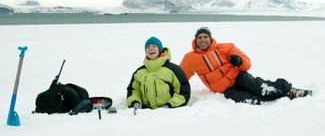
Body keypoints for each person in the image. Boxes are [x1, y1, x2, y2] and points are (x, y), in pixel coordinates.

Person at [180, 27, 312, 105]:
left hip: (239, 77)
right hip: (225, 90)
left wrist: (239, 61)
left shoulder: (226, 47)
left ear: (211, 38)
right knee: (252, 100)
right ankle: (283, 97)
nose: (203, 40)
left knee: (262, 88)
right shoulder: (190, 58)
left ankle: (289, 90)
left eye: (205, 37)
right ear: (195, 40)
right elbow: (180, 77)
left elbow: (247, 63)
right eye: (200, 38)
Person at [127, 36, 191, 110]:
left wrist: (170, 105)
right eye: (148, 47)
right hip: (145, 114)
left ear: (160, 50)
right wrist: (135, 102)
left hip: (170, 113)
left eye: (154, 46)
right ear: (145, 52)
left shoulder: (173, 69)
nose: (151, 48)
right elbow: (133, 90)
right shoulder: (139, 72)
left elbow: (183, 90)